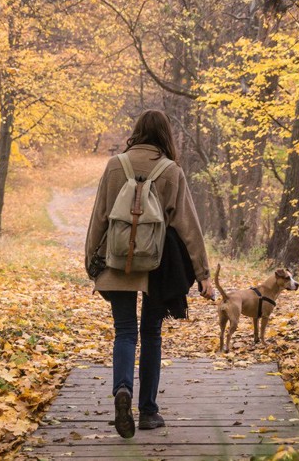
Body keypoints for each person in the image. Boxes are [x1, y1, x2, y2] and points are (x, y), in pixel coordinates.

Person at [85, 109, 214, 439]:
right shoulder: (171, 171)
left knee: (125, 330)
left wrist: (91, 258)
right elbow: (189, 226)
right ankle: (149, 412)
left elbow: (100, 214)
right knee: (152, 333)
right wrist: (203, 274)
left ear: (137, 132)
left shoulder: (115, 166)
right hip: (158, 266)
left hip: (117, 260)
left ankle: (122, 390)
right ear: (165, 136)